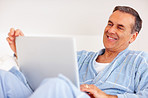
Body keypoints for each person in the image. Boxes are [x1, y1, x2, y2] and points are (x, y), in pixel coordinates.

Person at [1, 5, 148, 98]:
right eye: (110, 24)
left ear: (133, 37)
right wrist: (21, 50)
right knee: (3, 78)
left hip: (69, 93)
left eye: (120, 27)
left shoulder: (140, 60)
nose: (110, 30)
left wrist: (106, 96)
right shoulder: (81, 57)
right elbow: (43, 72)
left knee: (57, 85)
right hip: (51, 93)